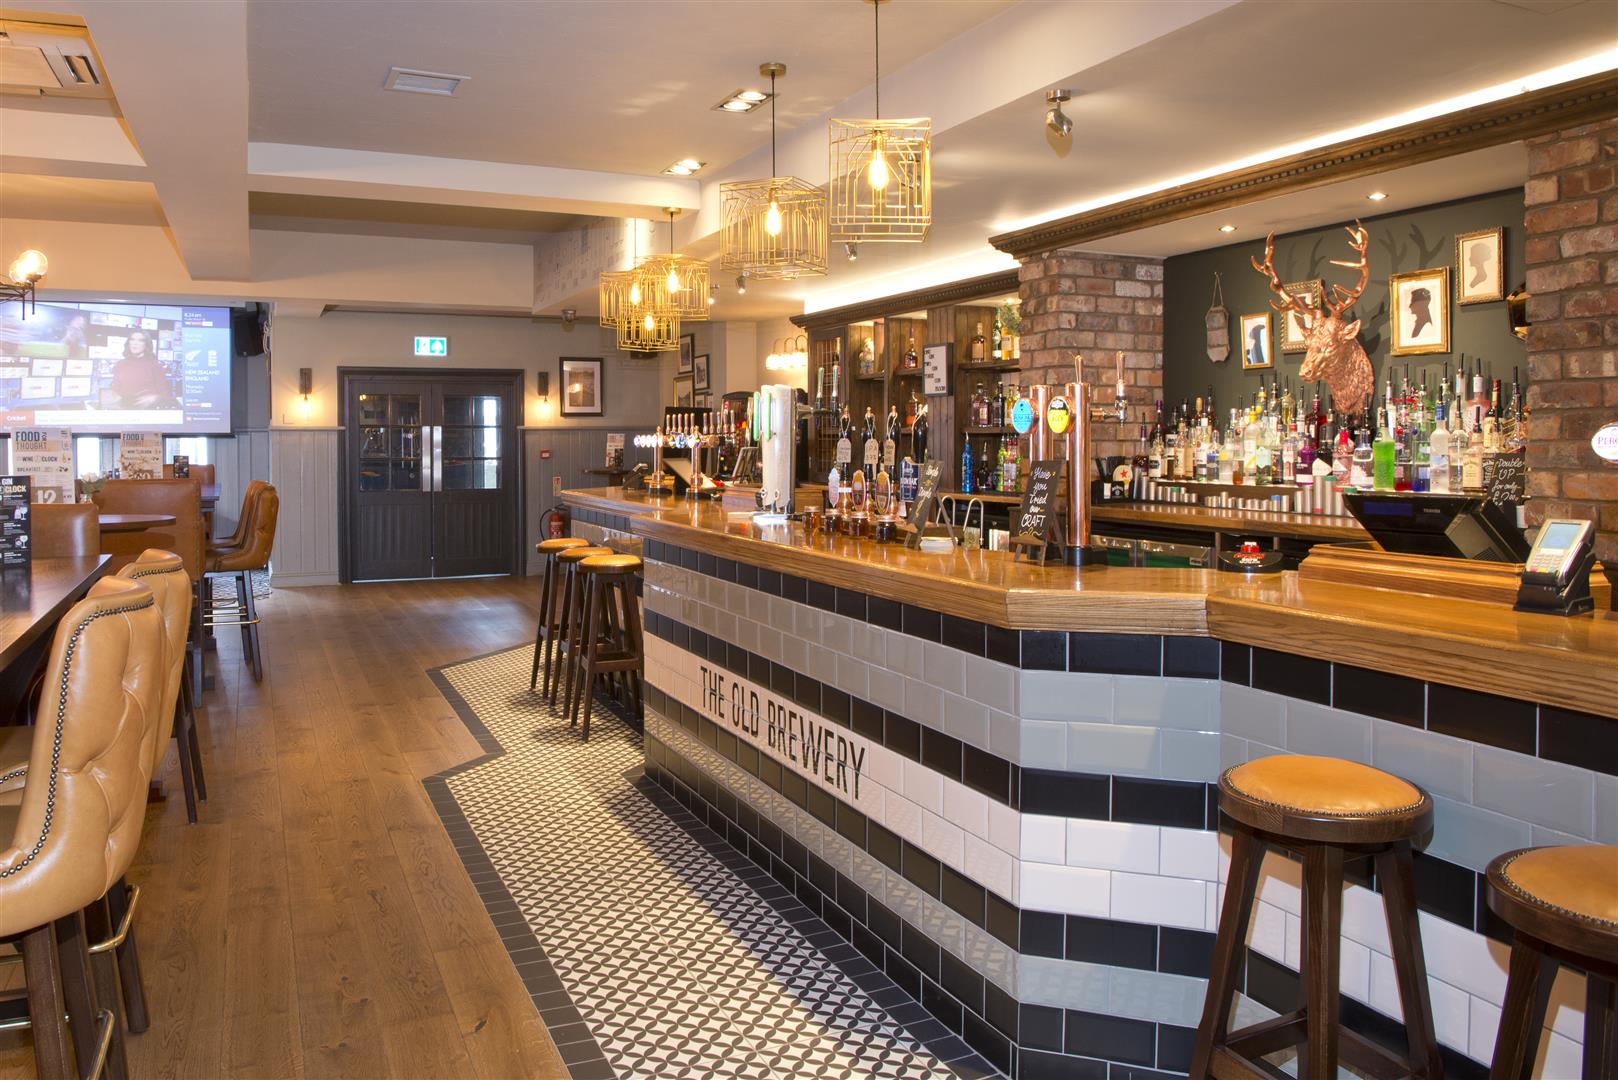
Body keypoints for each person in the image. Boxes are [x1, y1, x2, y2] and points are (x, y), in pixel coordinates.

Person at [109, 329, 175, 408]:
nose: (135, 343)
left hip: (147, 413)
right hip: (124, 411)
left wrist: (154, 398)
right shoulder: (120, 364)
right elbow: (115, 389)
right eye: (132, 339)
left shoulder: (154, 366)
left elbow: (165, 395)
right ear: (128, 343)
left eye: (140, 340)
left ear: (146, 344)